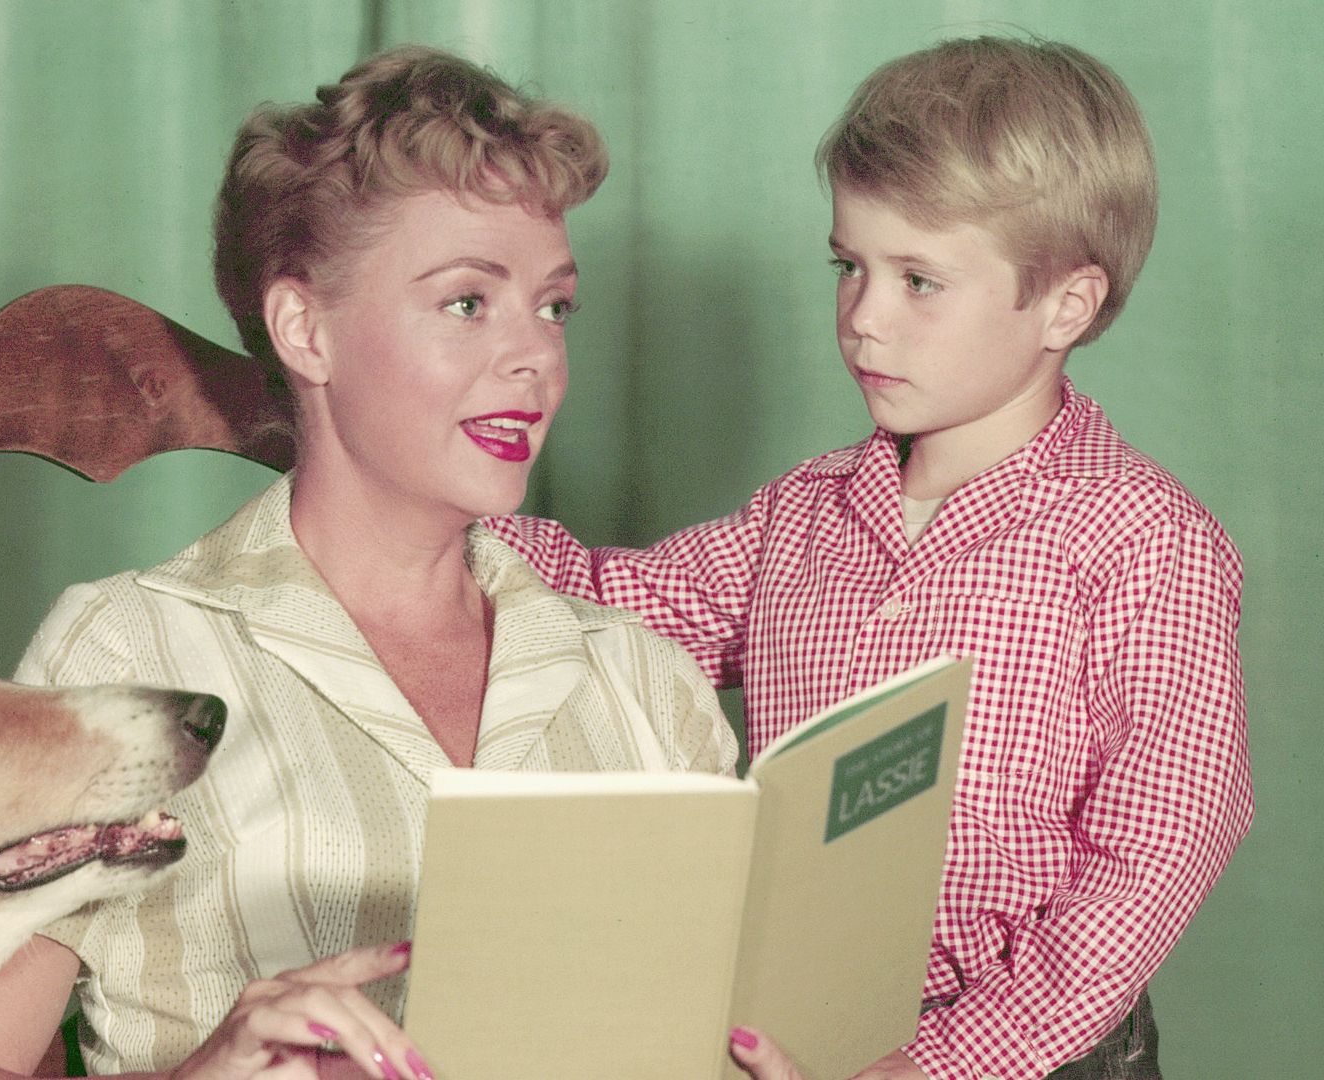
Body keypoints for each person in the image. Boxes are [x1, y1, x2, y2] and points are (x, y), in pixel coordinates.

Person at [0, 46, 740, 1080]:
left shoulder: (643, 684)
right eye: (466, 302)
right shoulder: (130, 655)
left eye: (554, 305)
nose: (535, 355)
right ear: (305, 330)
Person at [492, 36, 1253, 1080]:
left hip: (1037, 1057)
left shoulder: (1144, 540)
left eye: (920, 281)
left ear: (1066, 306)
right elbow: (610, 602)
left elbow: (1162, 845)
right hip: (812, 1038)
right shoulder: (806, 514)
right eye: (850, 266)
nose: (863, 319)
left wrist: (951, 1061)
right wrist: (400, 475)